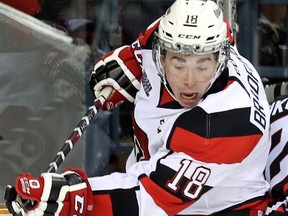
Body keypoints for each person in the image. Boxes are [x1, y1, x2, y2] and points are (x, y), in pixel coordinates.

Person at [5, 0, 272, 215]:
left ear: (220, 59)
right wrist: (133, 59)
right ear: (161, 53)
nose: (190, 80)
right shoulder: (174, 36)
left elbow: (149, 200)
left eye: (203, 66)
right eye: (179, 64)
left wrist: (80, 197)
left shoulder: (230, 123)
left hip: (216, 208)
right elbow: (153, 38)